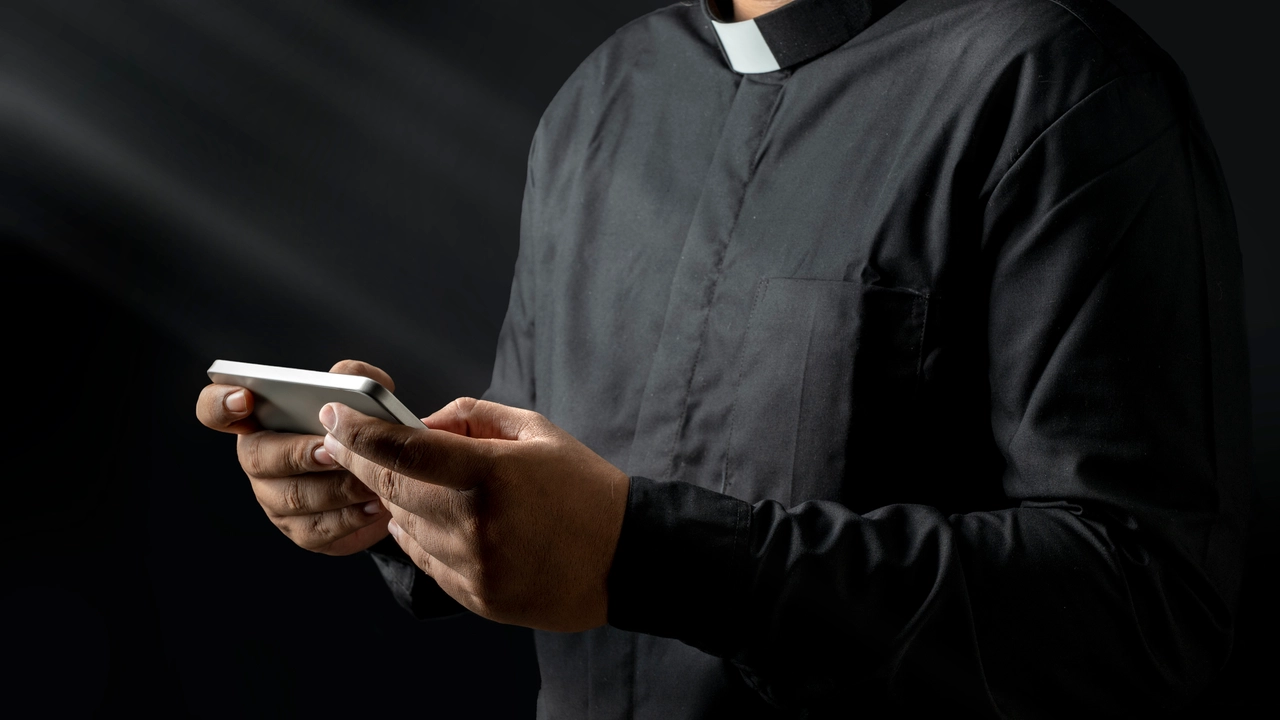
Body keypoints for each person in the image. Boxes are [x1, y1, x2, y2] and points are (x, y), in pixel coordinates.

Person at [196, 0, 1251, 716]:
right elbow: (534, 498)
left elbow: (1144, 614)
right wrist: (389, 491)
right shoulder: (601, 98)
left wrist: (644, 553)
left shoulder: (1054, 84)